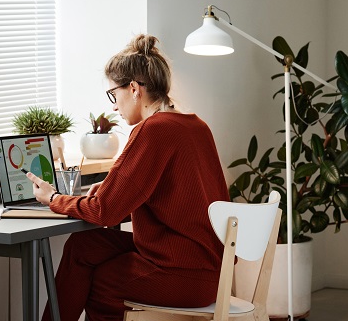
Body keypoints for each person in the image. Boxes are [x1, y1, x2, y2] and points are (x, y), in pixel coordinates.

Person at [26, 34, 230, 321]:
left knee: (103, 281)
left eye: (114, 94)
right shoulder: (196, 126)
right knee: (84, 245)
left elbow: (104, 210)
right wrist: (111, 188)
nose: (113, 106)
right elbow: (166, 191)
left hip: (185, 274)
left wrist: (54, 199)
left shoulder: (153, 130)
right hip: (209, 268)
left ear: (134, 89)